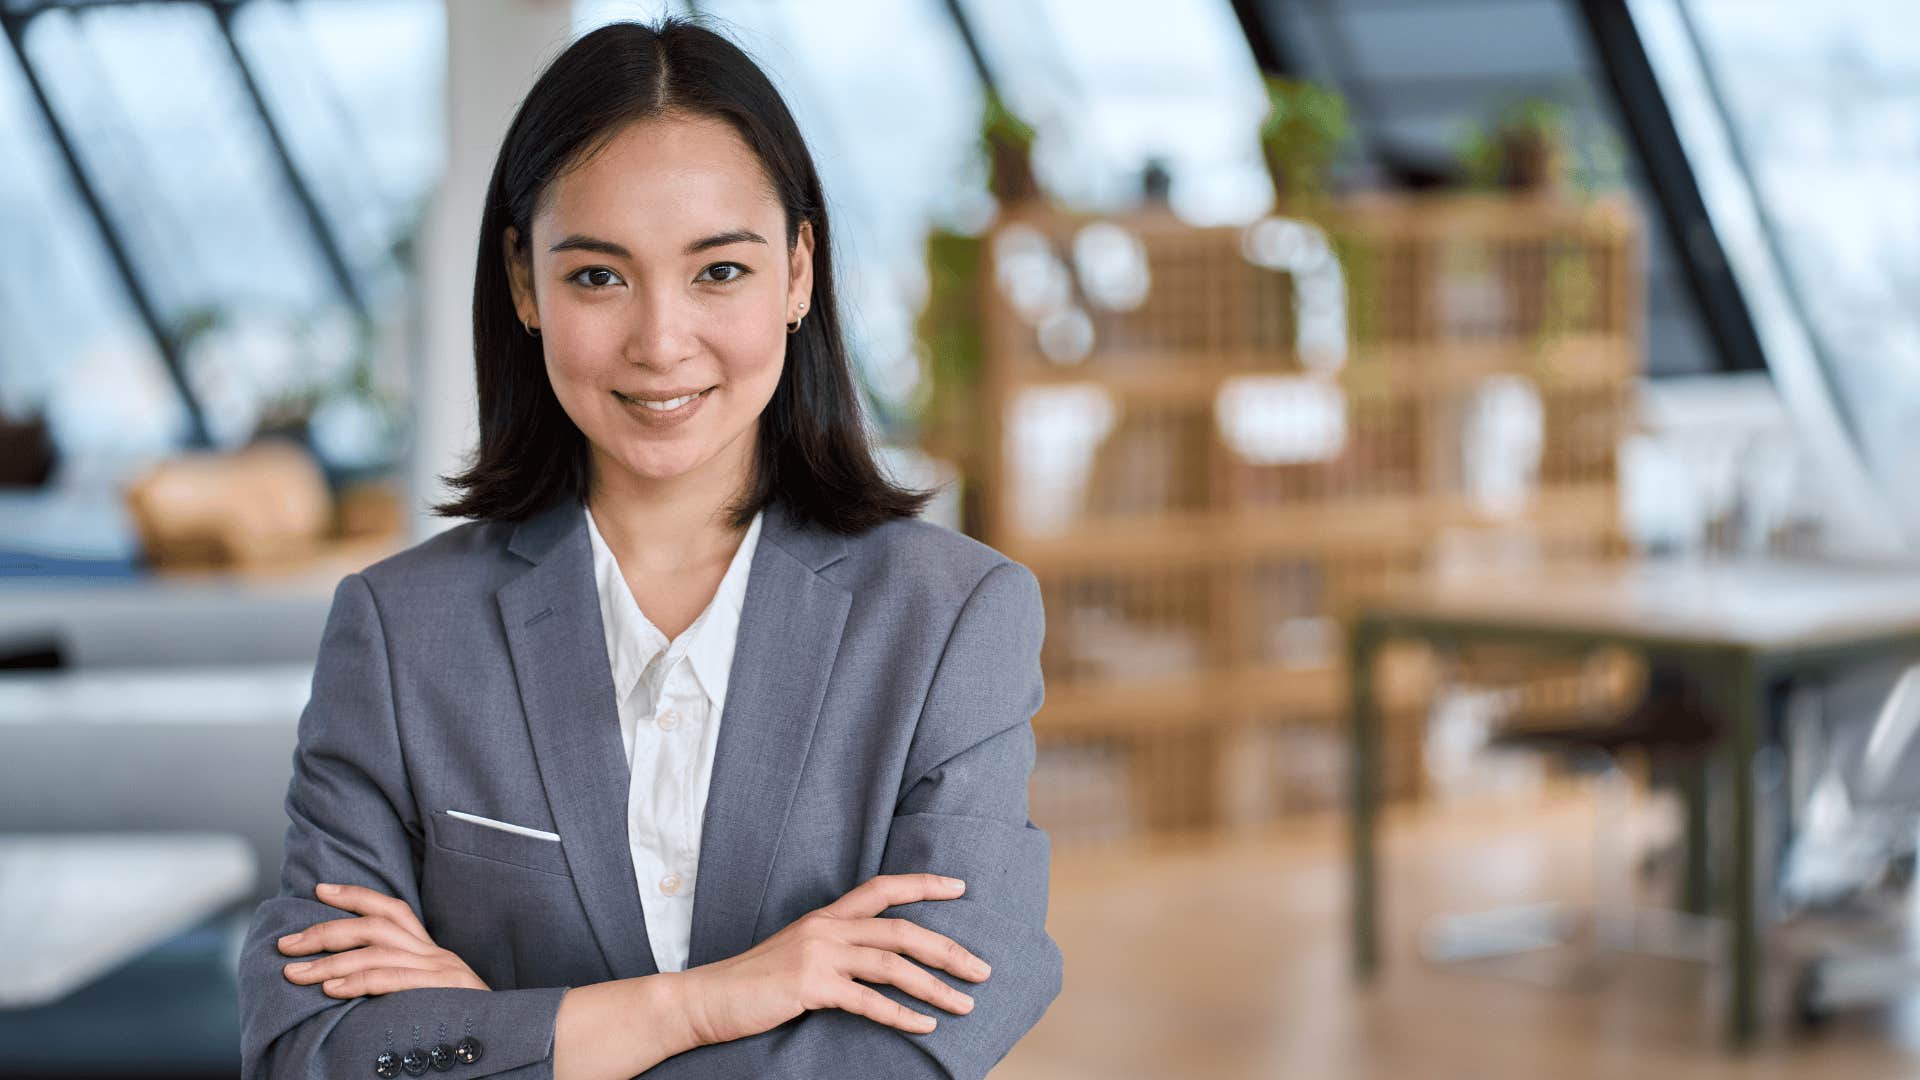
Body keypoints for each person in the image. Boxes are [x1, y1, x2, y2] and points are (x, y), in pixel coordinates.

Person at [236, 17, 1060, 1080]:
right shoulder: (400, 631)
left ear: (799, 273)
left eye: (719, 270)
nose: (662, 341)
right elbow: (312, 1047)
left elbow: (932, 1032)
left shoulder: (954, 618)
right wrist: (704, 1003)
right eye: (597, 278)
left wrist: (521, 1036)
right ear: (524, 285)